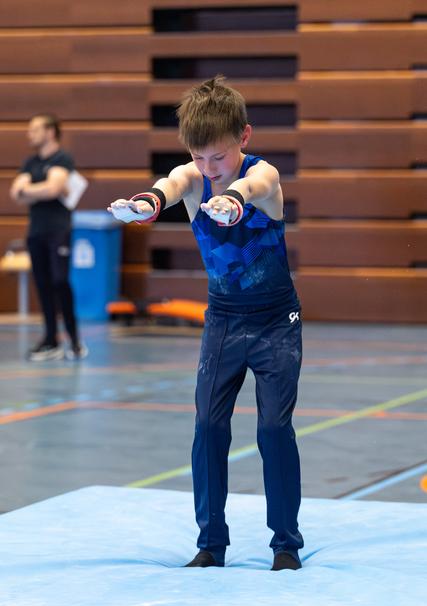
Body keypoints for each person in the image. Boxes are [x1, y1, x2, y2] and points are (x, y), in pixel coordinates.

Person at [109, 76, 303, 571]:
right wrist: (147, 204)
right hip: (223, 321)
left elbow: (252, 186)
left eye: (218, 157)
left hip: (276, 321)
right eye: (199, 158)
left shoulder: (264, 177)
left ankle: (285, 543)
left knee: (273, 428)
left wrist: (233, 198)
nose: (209, 169)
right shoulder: (193, 177)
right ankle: (210, 543)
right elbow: (172, 185)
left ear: (245, 137)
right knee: (209, 426)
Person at [10, 114, 87, 361]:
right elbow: (16, 193)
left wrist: (30, 190)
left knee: (60, 281)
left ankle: (74, 340)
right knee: (42, 284)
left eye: (35, 130)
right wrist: (38, 189)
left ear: (50, 132)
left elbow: (53, 189)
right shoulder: (30, 162)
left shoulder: (62, 159)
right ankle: (50, 340)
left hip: (58, 230)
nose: (29, 134)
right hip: (36, 232)